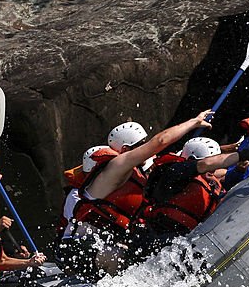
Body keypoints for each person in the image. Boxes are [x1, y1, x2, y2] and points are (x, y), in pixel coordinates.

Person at [59, 110, 214, 276]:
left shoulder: (137, 172)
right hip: (78, 249)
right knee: (123, 257)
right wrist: (194, 122)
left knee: (157, 246)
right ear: (126, 149)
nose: (148, 148)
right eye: (142, 143)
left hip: (105, 244)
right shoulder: (115, 168)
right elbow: (160, 141)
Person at [143, 140, 241, 237]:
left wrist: (239, 169)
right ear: (192, 160)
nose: (214, 168)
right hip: (156, 230)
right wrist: (241, 155)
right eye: (213, 163)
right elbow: (201, 166)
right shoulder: (175, 172)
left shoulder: (210, 181)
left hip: (182, 237)